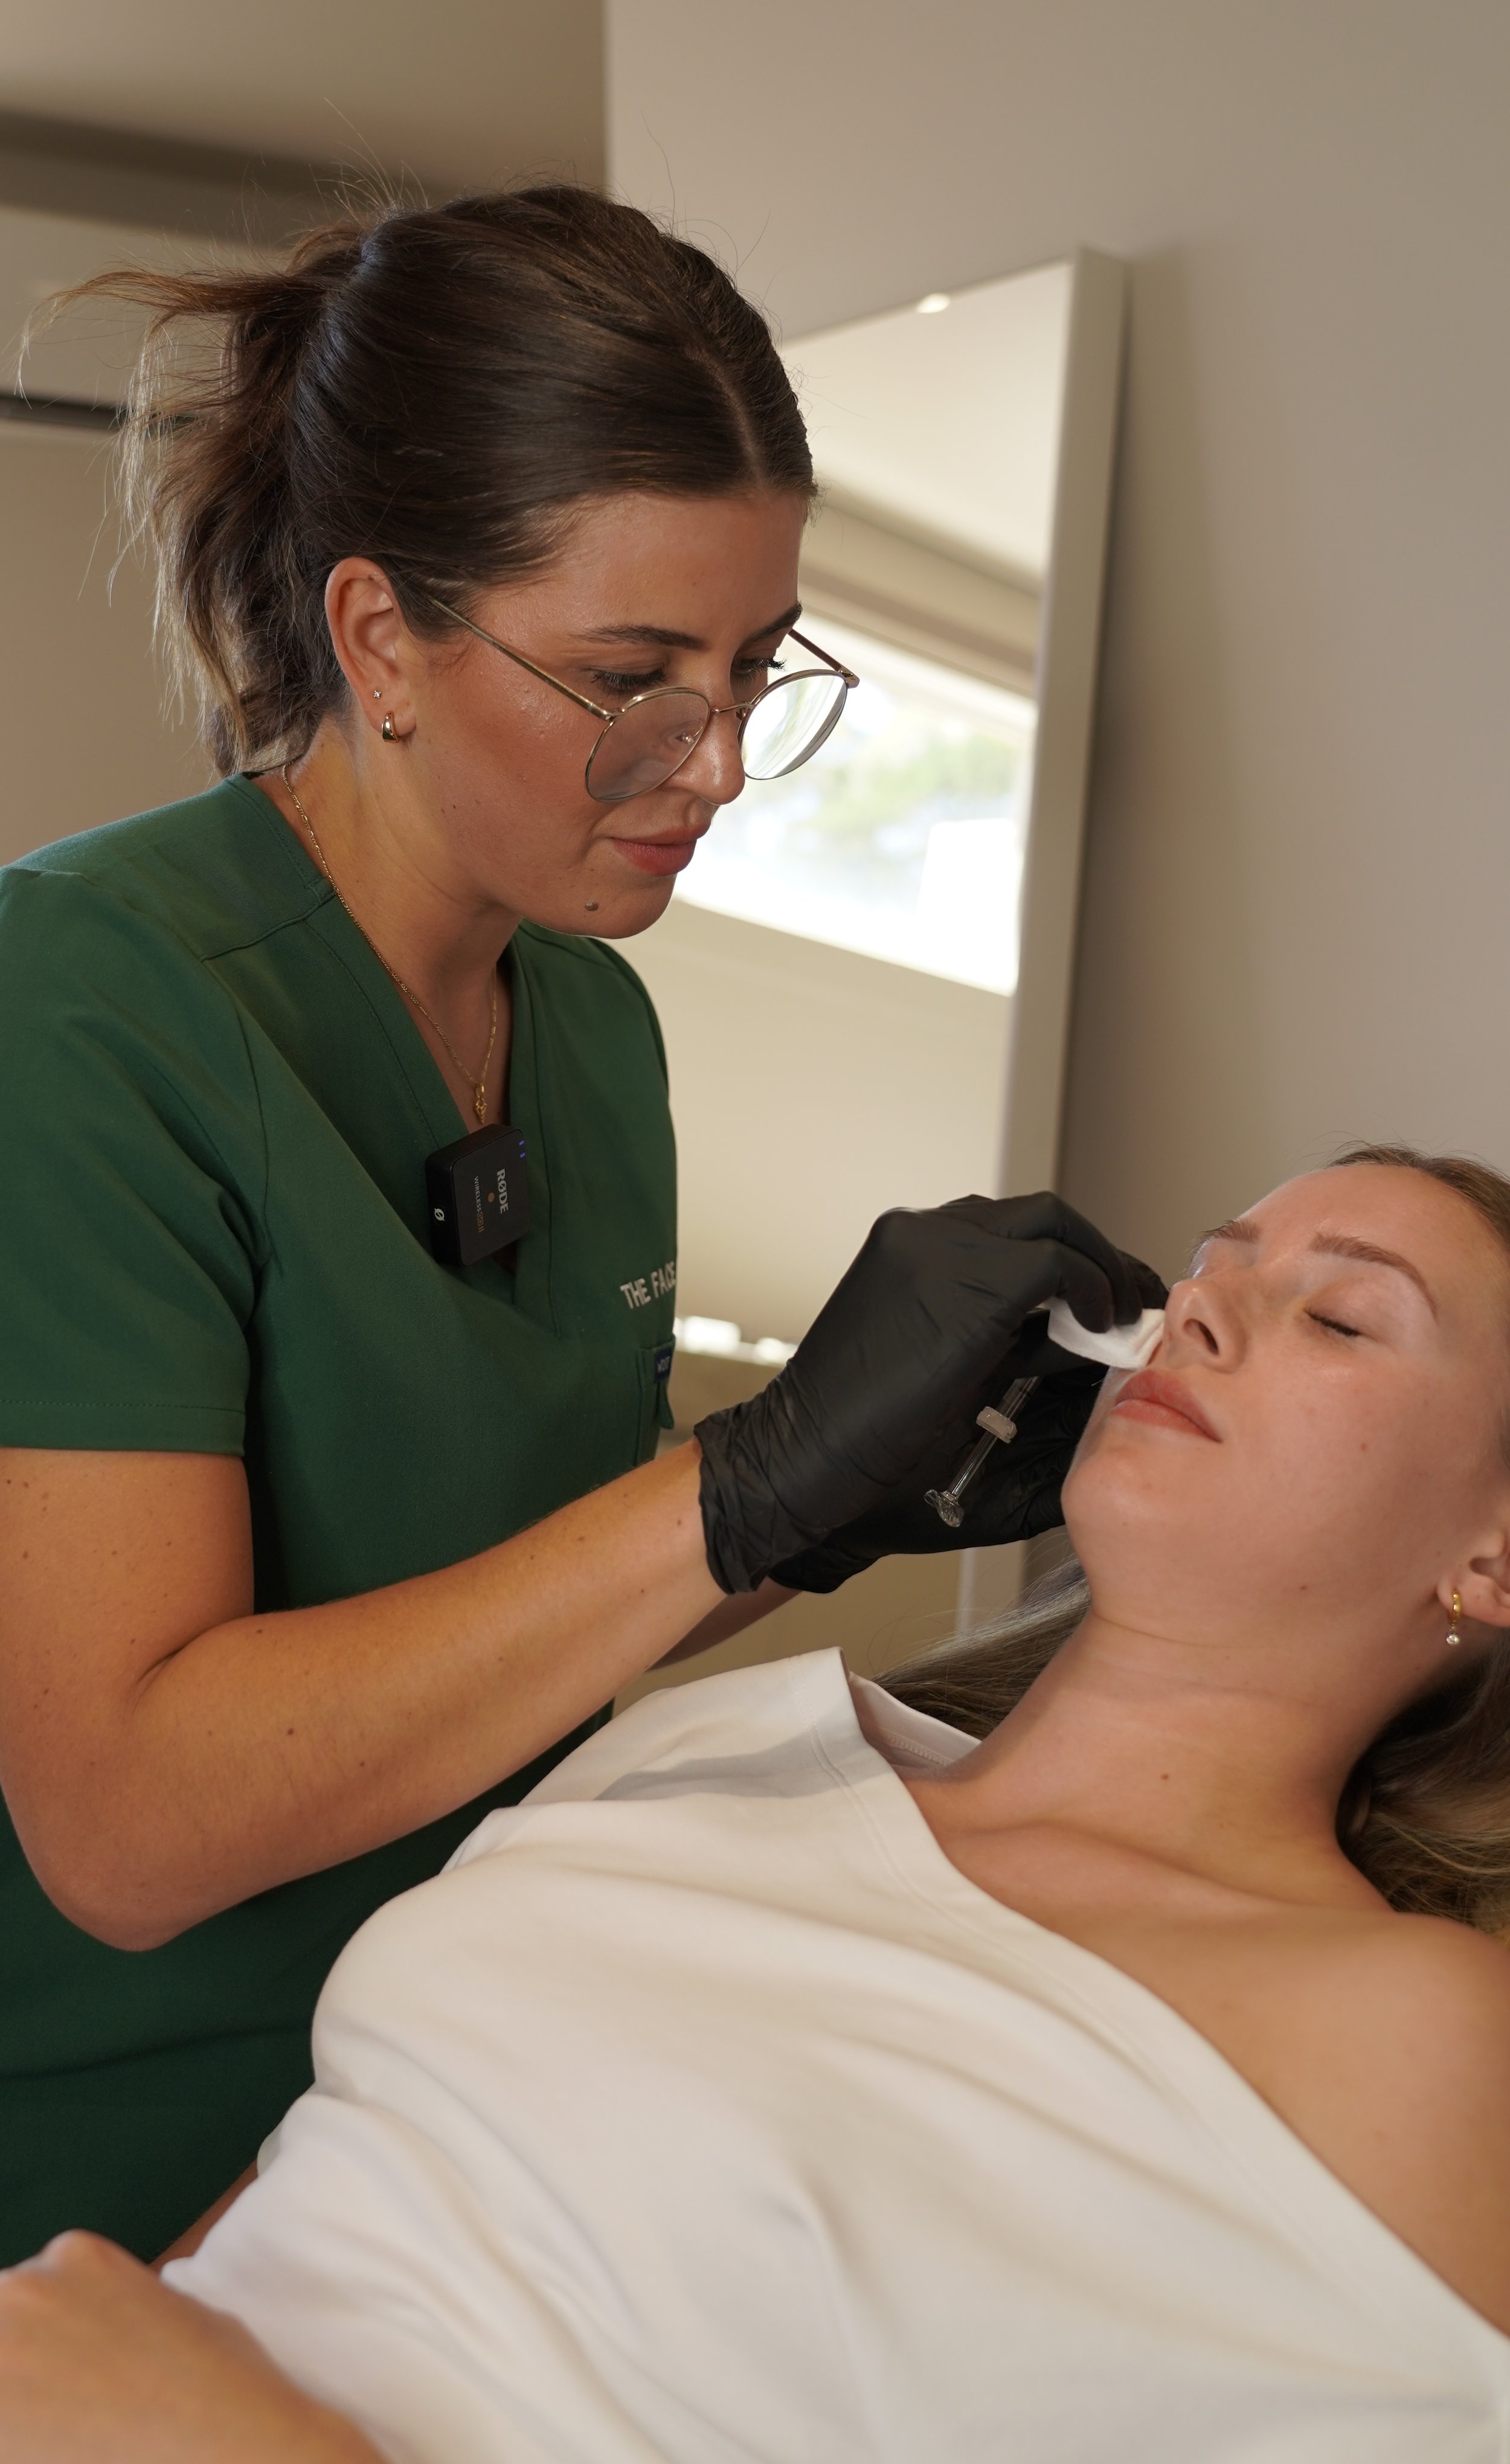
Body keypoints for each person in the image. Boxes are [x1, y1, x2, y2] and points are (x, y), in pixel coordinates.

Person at [0, 184, 1148, 2262]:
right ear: (378, 637)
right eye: (633, 675)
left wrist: (835, 1507)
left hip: (424, 2118)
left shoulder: (594, 1024)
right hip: (88, 2179)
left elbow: (495, 1622)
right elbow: (129, 1822)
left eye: (753, 668)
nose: (711, 762)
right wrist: (736, 1485)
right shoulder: (79, 1005)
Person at [4, 1139, 1509, 2464]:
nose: (1197, 1306)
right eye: (1206, 1264)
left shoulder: (1420, 2030)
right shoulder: (717, 1745)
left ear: (1491, 1556)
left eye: (1339, 1312)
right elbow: (332, 2183)